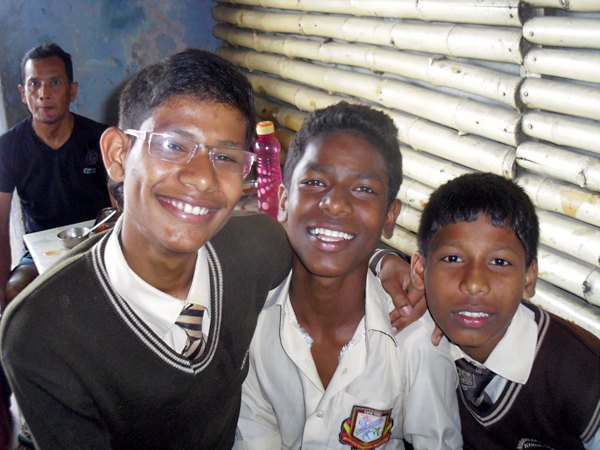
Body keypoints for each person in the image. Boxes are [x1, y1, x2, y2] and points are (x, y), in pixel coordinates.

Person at [1, 50, 421, 449]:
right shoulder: (42, 334)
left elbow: (323, 240)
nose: (202, 177)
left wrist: (385, 261)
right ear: (118, 155)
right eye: (172, 145)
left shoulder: (254, 248)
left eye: (225, 156)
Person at [235, 102, 462, 449]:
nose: (335, 203)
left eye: (363, 189)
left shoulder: (416, 341)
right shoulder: (252, 321)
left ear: (389, 216)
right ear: (282, 201)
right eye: (314, 182)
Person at [411, 172, 600, 450]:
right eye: (453, 258)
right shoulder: (415, 332)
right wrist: (384, 259)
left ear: (529, 277)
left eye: (499, 262)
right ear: (420, 271)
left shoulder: (580, 373)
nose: (474, 284)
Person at [0, 43, 111, 309]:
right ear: (23, 93)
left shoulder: (101, 139)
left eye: (55, 82)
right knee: (15, 296)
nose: (44, 94)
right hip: (39, 254)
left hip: (97, 246)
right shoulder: (8, 147)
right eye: (34, 84)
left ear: (72, 91)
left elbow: (120, 208)